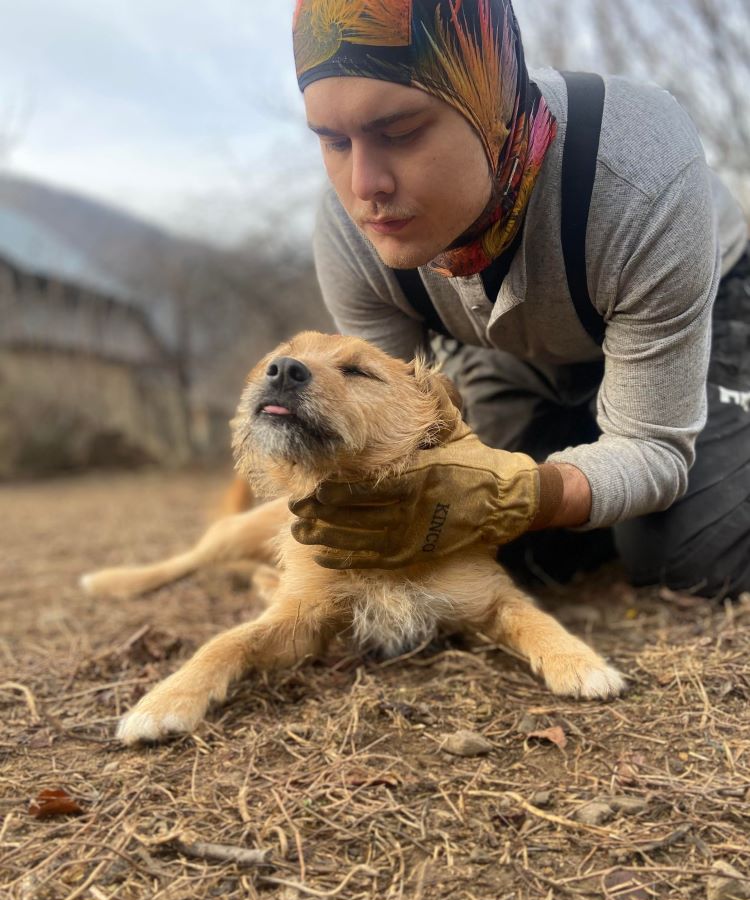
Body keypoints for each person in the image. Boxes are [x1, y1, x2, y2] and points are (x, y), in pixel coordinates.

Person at [289, 0, 749, 597]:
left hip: (703, 305)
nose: (364, 186)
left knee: (690, 557)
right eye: (334, 142)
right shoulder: (351, 233)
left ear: (493, 107)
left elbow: (651, 446)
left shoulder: (641, 180)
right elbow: (391, 436)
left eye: (398, 133)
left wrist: (526, 492)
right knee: (514, 552)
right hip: (519, 346)